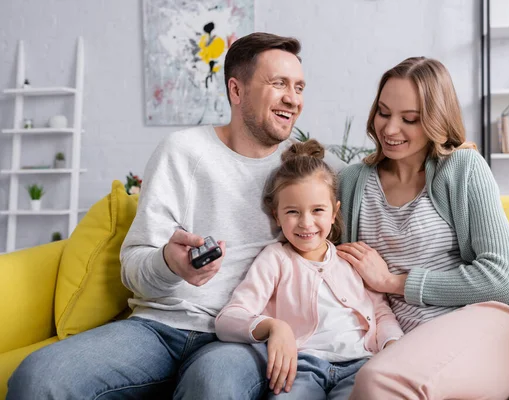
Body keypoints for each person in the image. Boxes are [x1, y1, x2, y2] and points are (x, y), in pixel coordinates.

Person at [8, 32, 343, 400]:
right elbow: (133, 266)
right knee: (38, 378)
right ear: (237, 90)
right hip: (157, 328)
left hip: (237, 337)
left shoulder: (299, 172)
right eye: (279, 83)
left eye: (298, 86)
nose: (293, 98)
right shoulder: (183, 151)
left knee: (213, 386)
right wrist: (170, 263)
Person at [336, 57, 509, 399]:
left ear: (435, 119)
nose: (390, 129)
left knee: (378, 382)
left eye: (409, 119)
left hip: (491, 324)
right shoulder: (353, 183)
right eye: (383, 113)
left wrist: (392, 282)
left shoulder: (463, 168)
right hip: (403, 342)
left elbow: (502, 277)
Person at [215, 139, 404, 399]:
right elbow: (228, 319)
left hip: (362, 364)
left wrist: (393, 345)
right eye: (293, 211)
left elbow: (381, 314)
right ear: (276, 215)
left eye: (317, 210)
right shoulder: (275, 259)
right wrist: (274, 327)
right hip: (301, 368)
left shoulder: (351, 259)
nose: (306, 223)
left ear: (334, 212)